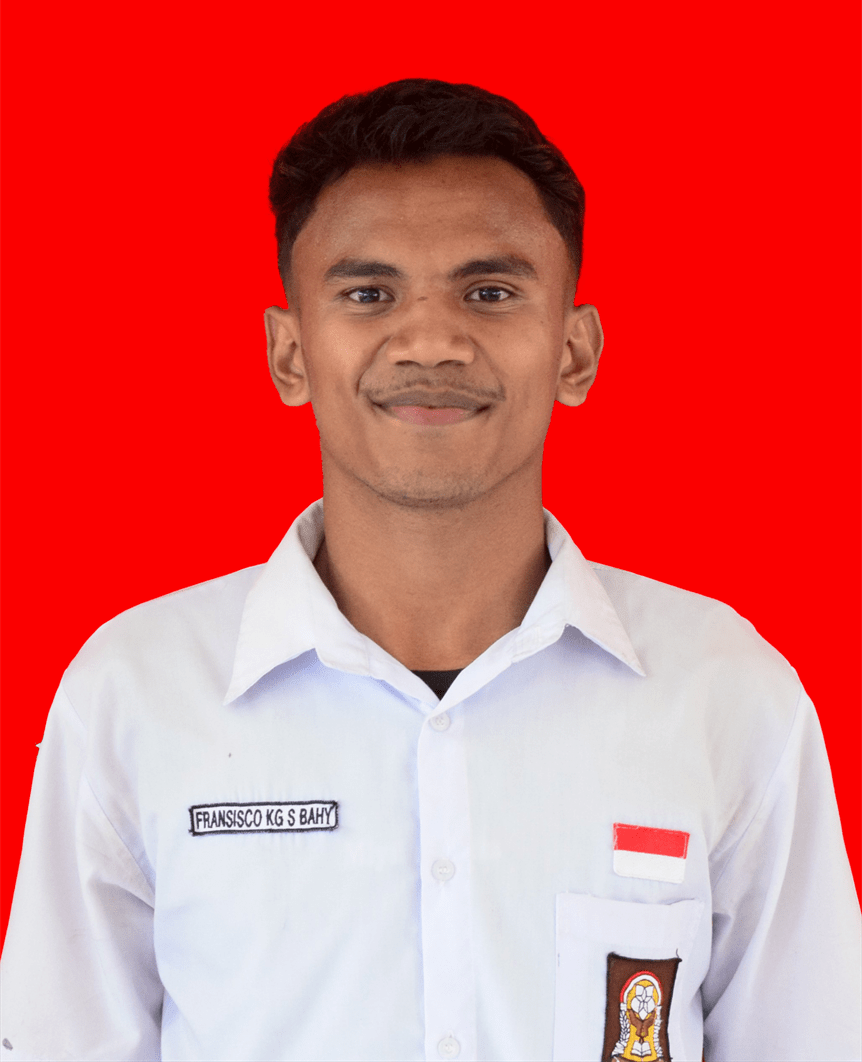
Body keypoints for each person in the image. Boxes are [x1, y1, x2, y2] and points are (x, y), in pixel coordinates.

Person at [1, 79, 859, 1062]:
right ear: (289, 354)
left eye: (489, 292)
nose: (431, 342)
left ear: (574, 351)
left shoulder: (725, 694)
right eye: (368, 293)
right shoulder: (137, 693)